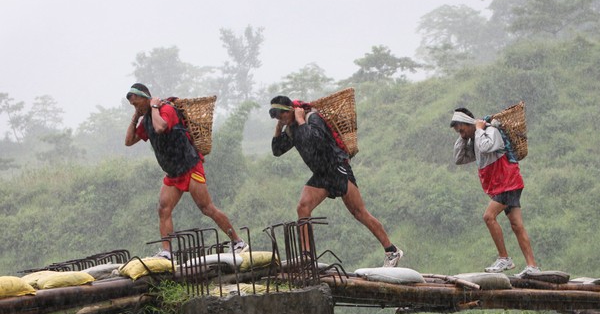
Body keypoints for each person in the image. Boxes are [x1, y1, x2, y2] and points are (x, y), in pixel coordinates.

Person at [269, 95, 403, 267]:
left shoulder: (312, 118)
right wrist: (279, 128)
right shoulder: (291, 128)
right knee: (303, 207)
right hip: (321, 174)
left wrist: (302, 120)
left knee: (359, 213)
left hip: (337, 169)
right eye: (277, 118)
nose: (281, 119)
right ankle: (306, 256)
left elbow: (316, 140)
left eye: (282, 115)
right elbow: (277, 151)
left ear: (291, 110)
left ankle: (392, 251)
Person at [124, 83, 245, 258]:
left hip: (190, 166)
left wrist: (155, 107)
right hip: (173, 173)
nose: (135, 107)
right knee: (163, 209)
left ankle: (238, 241)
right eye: (132, 106)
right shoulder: (147, 119)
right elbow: (129, 141)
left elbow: (161, 127)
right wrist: (136, 117)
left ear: (145, 98)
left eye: (136, 104)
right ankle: (167, 252)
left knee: (206, 208)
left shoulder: (165, 109)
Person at [451, 108, 541, 277]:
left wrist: (478, 129)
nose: (461, 134)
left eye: (462, 130)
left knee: (488, 216)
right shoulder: (475, 139)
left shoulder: (490, 131)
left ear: (470, 124)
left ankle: (504, 258)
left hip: (508, 182)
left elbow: (486, 147)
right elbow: (459, 158)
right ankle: (532, 266)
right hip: (503, 185)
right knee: (516, 225)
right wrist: (463, 138)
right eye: (458, 132)